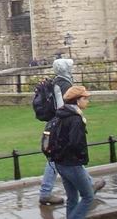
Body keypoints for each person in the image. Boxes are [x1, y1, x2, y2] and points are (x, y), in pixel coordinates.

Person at [51, 86, 105, 219]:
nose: (87, 101)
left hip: (60, 162)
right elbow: (75, 143)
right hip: (72, 163)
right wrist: (81, 157)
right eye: (85, 98)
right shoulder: (75, 118)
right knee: (88, 196)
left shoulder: (61, 114)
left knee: (72, 198)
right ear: (77, 100)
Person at [38, 58, 74, 205]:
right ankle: (45, 193)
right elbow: (62, 106)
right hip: (60, 125)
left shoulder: (58, 81)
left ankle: (88, 185)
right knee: (56, 158)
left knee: (69, 154)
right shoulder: (63, 84)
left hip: (57, 124)